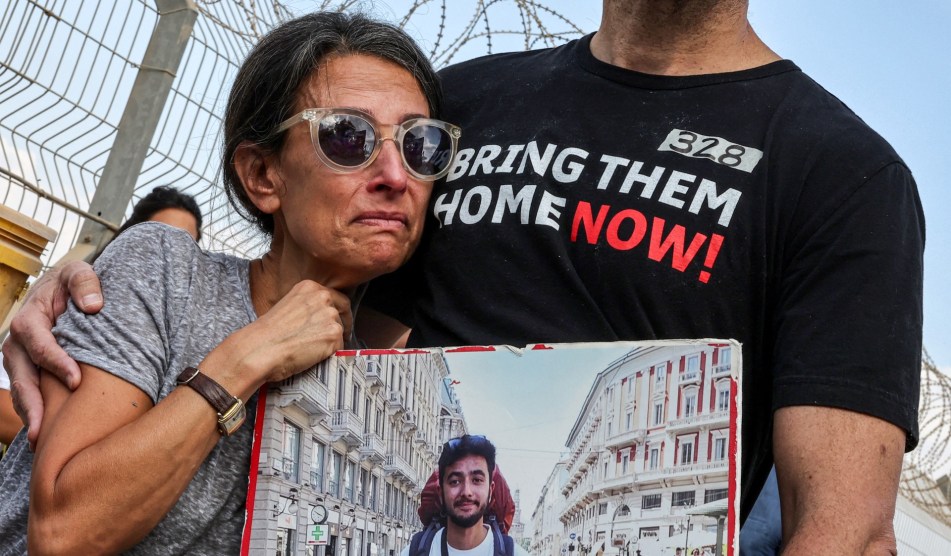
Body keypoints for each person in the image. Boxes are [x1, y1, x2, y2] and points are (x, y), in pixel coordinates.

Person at [3, 1, 924, 553]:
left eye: (408, 150)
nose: (396, 166)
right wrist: (102, 279)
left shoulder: (841, 175)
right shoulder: (466, 104)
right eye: (369, 144)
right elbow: (324, 276)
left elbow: (845, 530)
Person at [0, 11, 457, 554]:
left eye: (419, 143)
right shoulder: (170, 272)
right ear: (264, 176)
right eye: (347, 136)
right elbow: (62, 535)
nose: (396, 176)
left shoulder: (372, 381)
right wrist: (249, 355)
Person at [0, 186, 202, 449]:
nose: (167, 255)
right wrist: (74, 441)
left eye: (185, 246)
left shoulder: (186, 333)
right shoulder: (76, 298)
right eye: (156, 237)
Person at [403, 435, 529, 556]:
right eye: (455, 481)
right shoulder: (413, 553)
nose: (466, 492)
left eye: (477, 480)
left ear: (491, 490)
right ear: (441, 492)